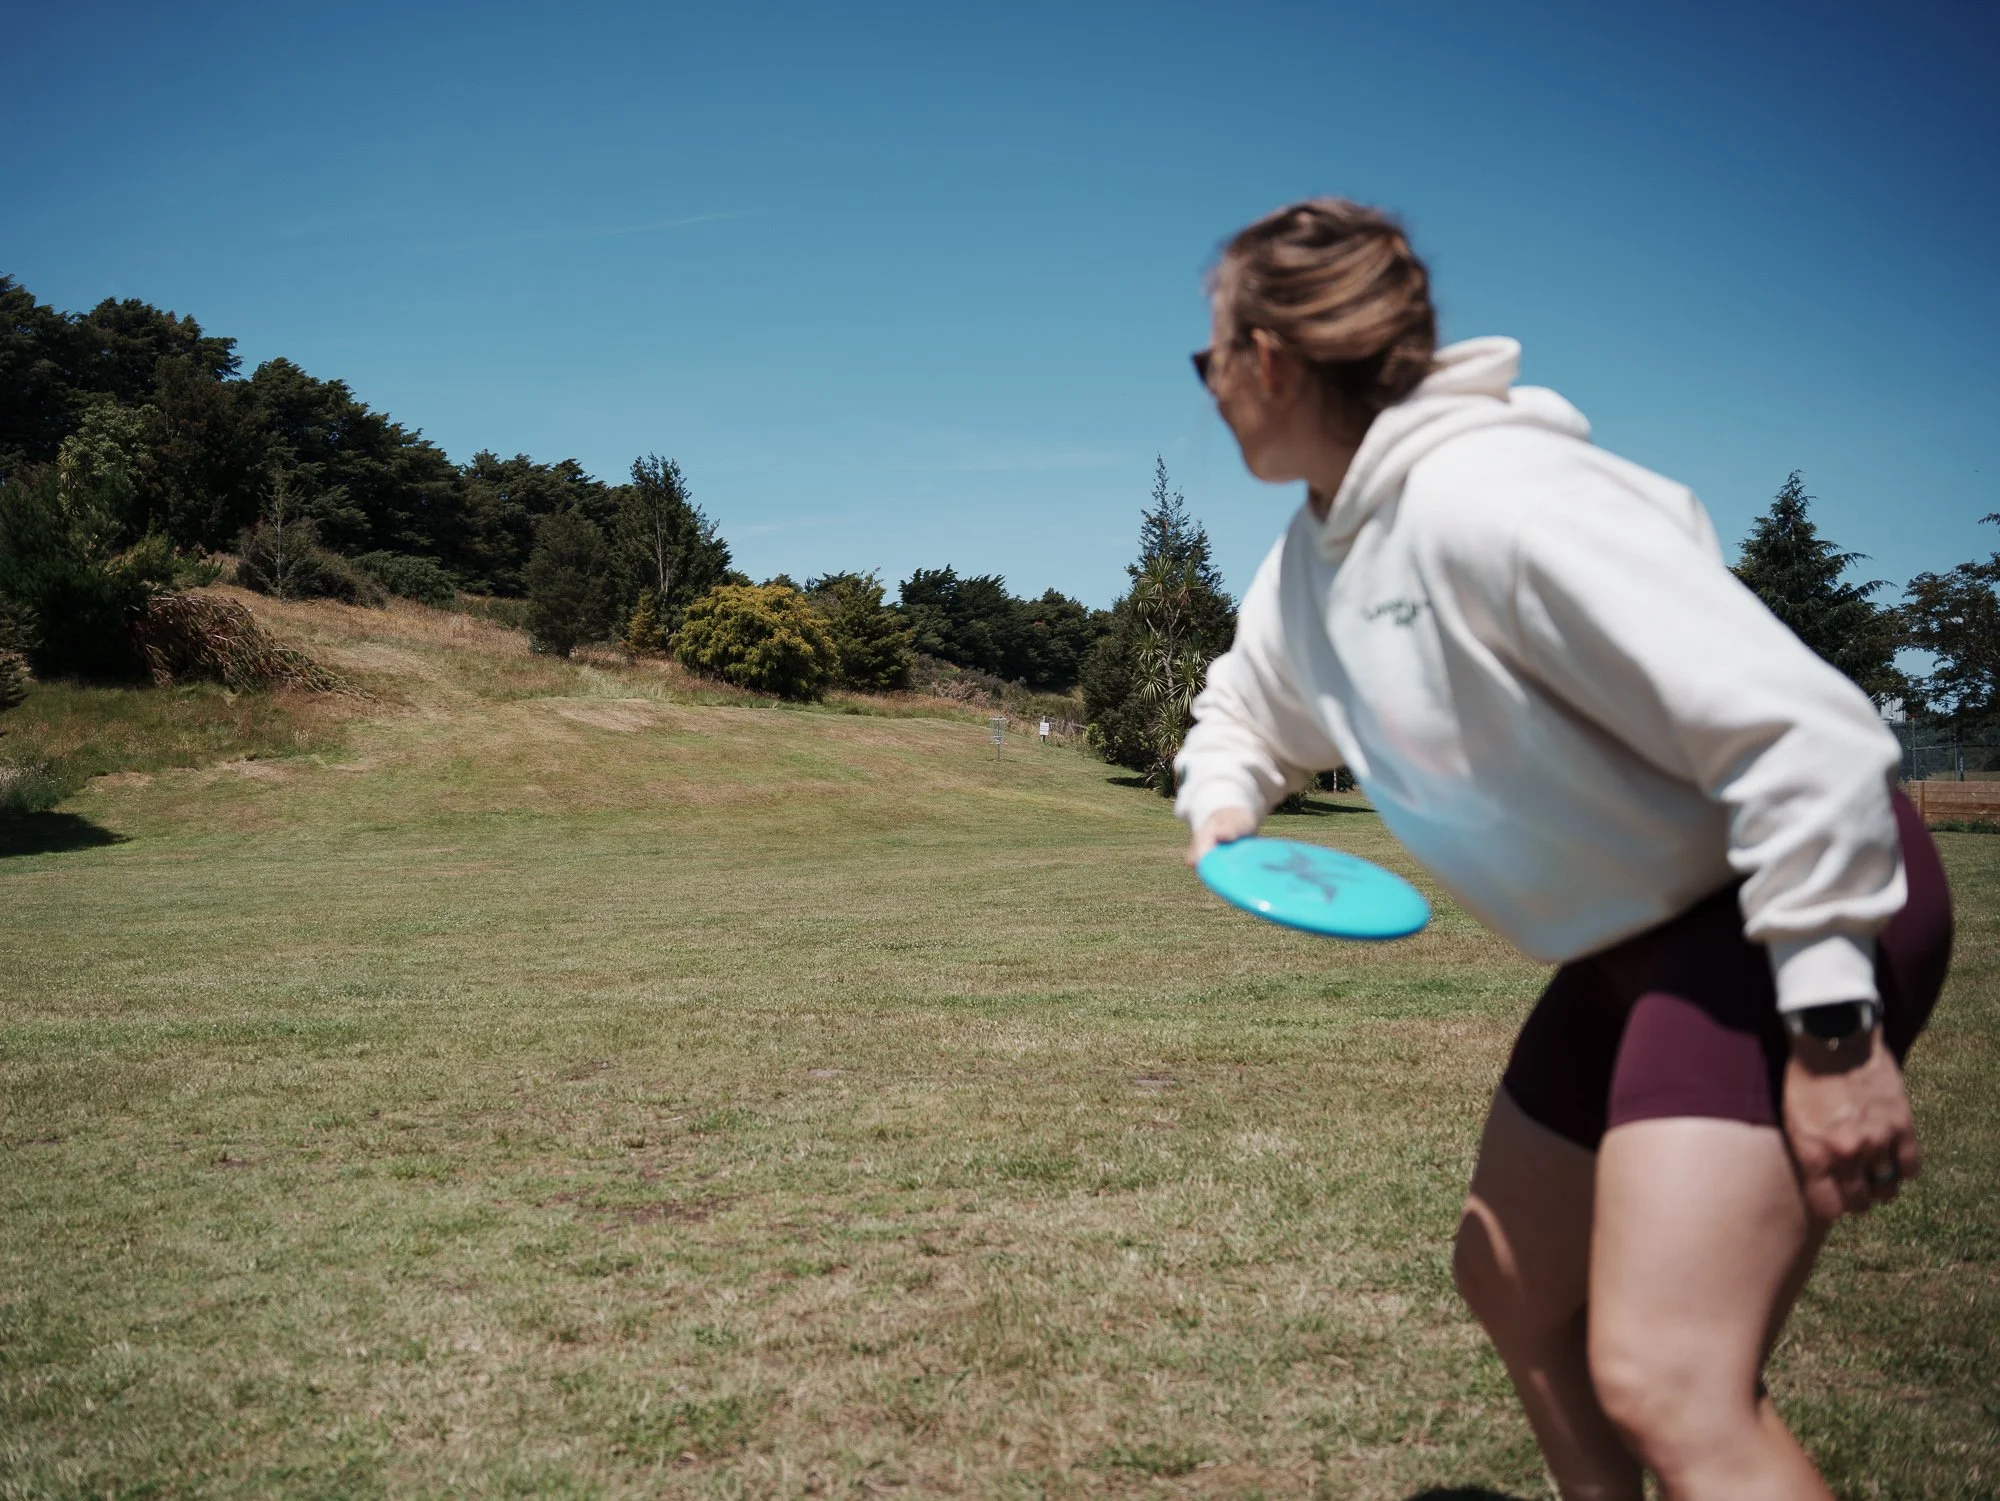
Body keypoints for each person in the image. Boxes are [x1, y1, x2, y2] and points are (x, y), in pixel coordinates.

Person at [1177, 199, 1953, 1500]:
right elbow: (1252, 706)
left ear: (1267, 358)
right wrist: (1222, 813)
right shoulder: (1316, 557)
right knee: (1511, 1277)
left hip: (1775, 909)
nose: (1207, 389)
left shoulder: (1499, 498)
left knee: (1671, 1379)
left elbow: (1803, 734)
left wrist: (1832, 1025)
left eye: (1208, 358)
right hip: (1626, 938)